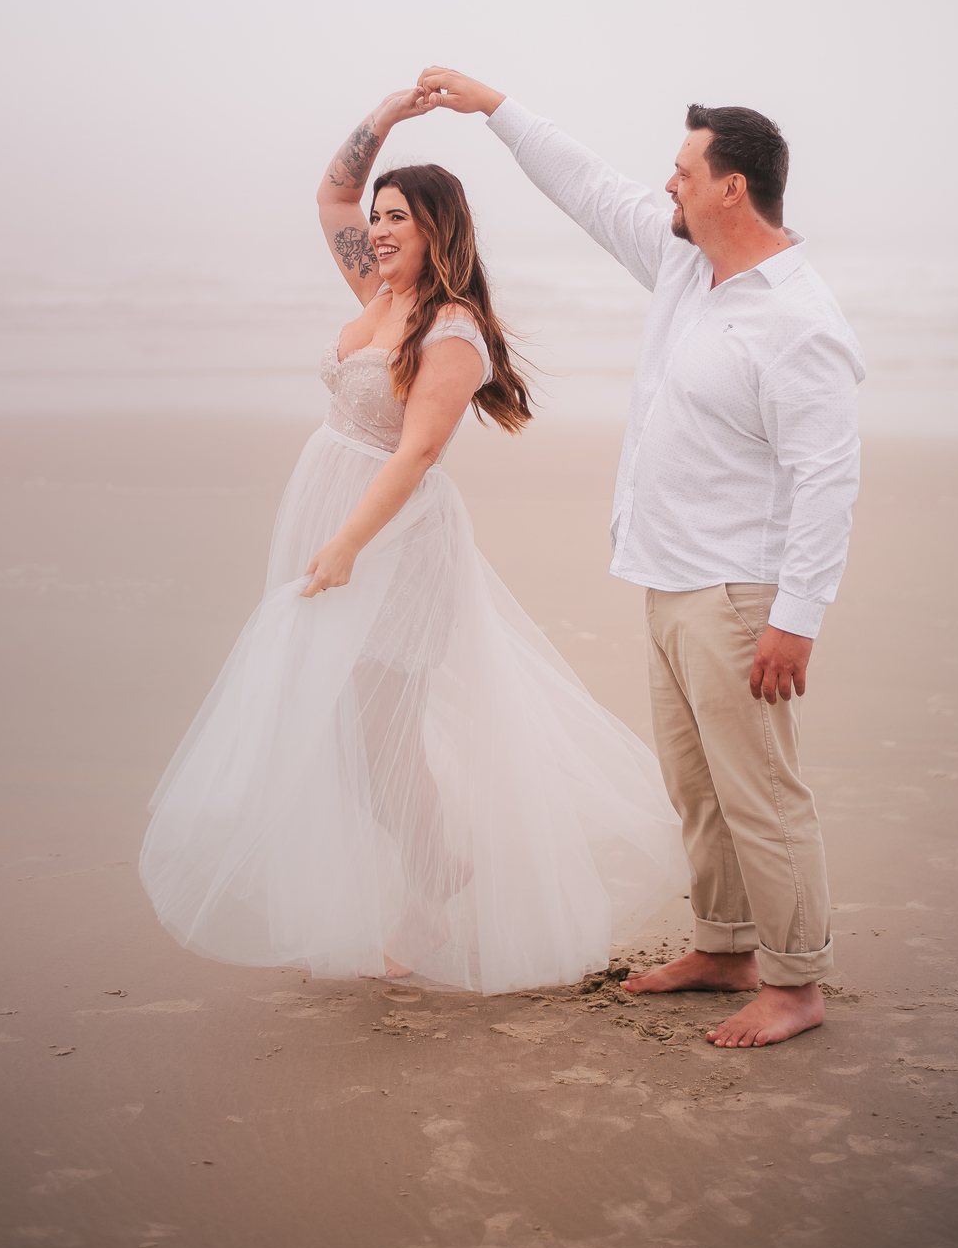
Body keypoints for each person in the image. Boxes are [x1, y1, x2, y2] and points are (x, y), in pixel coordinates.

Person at [139, 87, 688, 994]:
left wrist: (348, 544)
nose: (379, 229)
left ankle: (433, 882)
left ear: (438, 229)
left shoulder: (451, 329)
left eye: (399, 217)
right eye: (381, 215)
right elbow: (332, 196)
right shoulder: (378, 289)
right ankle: (436, 866)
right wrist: (388, 116)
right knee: (342, 725)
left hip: (393, 541)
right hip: (338, 521)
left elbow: (420, 452)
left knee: (373, 728)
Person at [417, 67, 865, 1046]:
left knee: (761, 794)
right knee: (698, 789)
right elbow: (585, 185)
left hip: (742, 594)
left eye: (683, 171)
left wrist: (798, 615)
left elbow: (828, 478)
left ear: (730, 188)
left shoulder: (799, 320)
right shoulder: (682, 265)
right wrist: (494, 108)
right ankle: (726, 947)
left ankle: (796, 983)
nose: (667, 184)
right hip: (668, 577)